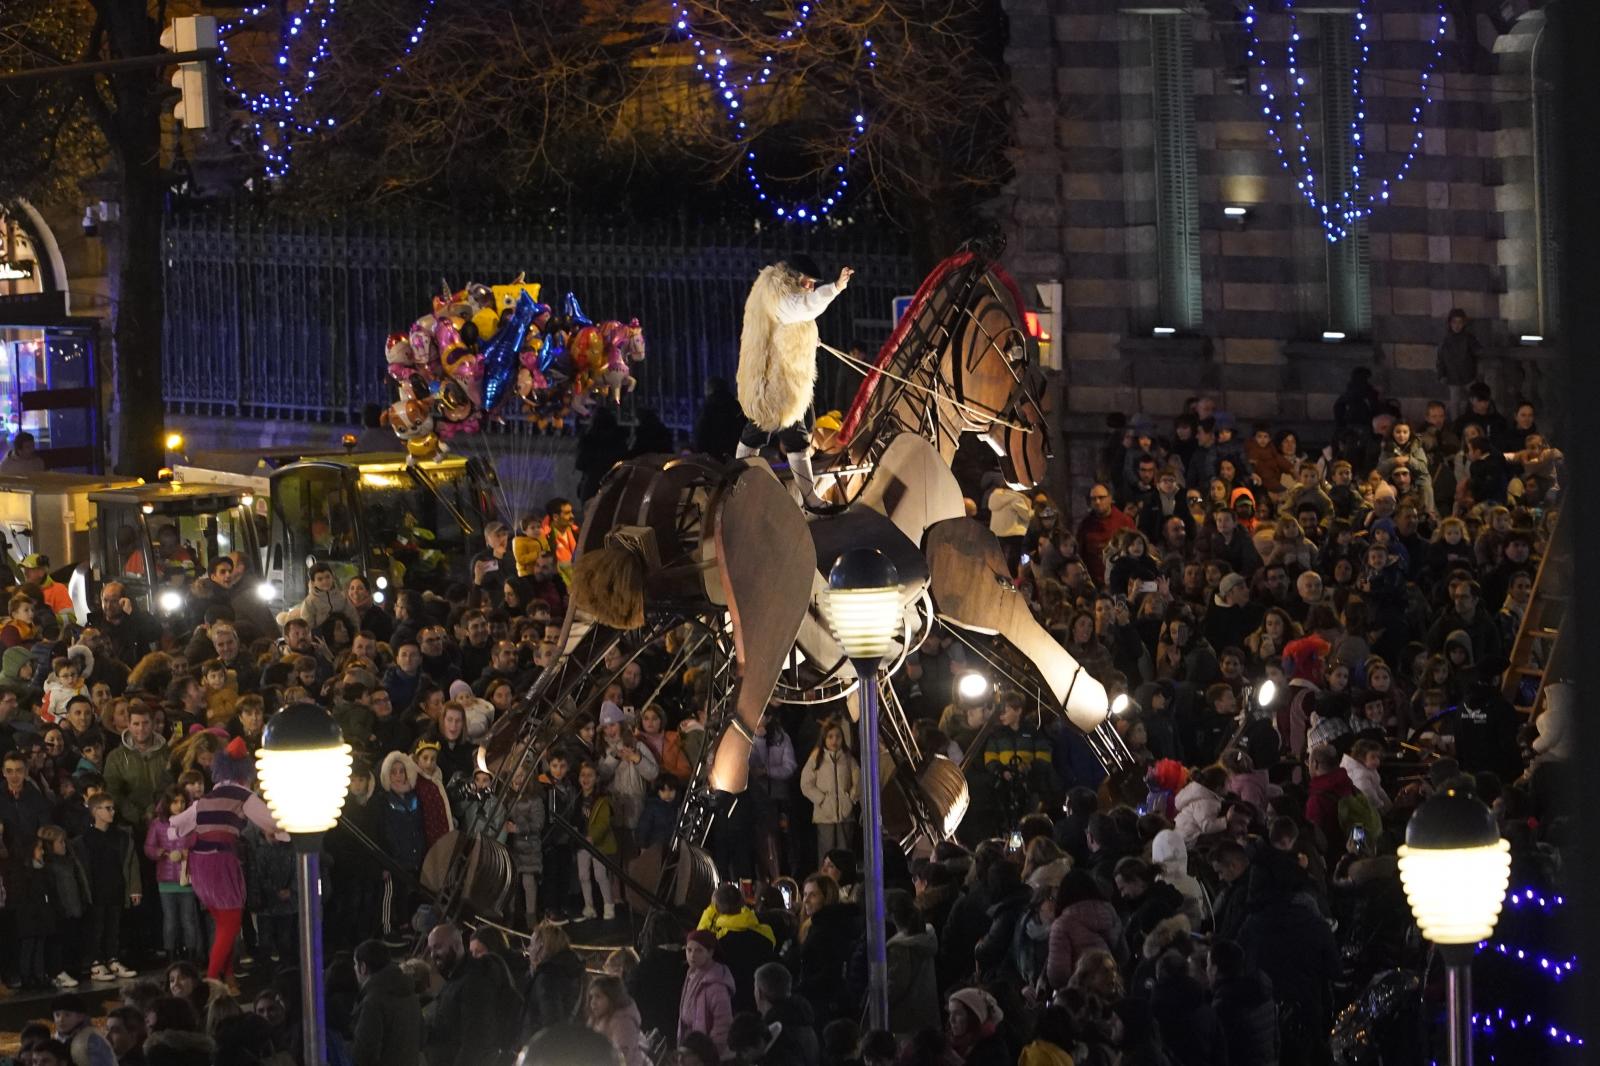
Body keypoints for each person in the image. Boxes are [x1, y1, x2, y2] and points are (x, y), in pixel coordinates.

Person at [734, 255, 854, 512]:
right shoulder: (777, 293)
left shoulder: (782, 293)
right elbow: (802, 307)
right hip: (771, 384)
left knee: (795, 439)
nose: (810, 287)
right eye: (808, 282)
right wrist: (834, 288)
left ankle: (809, 499)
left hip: (786, 385)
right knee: (757, 432)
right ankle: (737, 486)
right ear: (794, 277)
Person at [165, 736, 284, 982]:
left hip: (201, 867)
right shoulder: (243, 795)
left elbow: (174, 828)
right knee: (230, 925)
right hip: (220, 864)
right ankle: (211, 982)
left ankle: (227, 977)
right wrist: (290, 829)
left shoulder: (207, 797)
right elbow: (271, 822)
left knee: (224, 926)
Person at [424, 923, 521, 1066]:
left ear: (456, 946)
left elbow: (476, 1040)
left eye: (438, 947)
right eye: (431, 949)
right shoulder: (454, 979)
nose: (433, 954)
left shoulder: (474, 981)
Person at [352, 939, 422, 1066]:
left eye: (355, 964)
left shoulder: (373, 1002)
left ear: (363, 967)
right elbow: (422, 1038)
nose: (354, 969)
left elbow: (365, 1053)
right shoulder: (411, 996)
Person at [799, 719, 858, 858]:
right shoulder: (817, 758)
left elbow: (858, 780)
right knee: (827, 853)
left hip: (845, 814)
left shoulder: (848, 758)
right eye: (830, 736)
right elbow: (806, 783)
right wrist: (822, 799)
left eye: (838, 736)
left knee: (845, 853)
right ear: (824, 738)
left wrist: (851, 798)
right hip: (824, 815)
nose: (834, 740)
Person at [678, 930, 735, 1058]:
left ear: (710, 952)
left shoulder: (716, 985)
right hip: (692, 1048)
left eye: (699, 950)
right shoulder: (691, 974)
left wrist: (708, 1056)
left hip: (705, 1054)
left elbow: (723, 1026)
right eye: (689, 950)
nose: (692, 955)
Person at [585, 974, 645, 1066]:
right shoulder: (596, 1019)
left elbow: (623, 1058)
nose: (593, 1002)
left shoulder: (623, 1023)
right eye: (591, 997)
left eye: (598, 996)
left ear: (612, 998)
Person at [945, 987, 1009, 1066]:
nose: (951, 1019)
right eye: (950, 1013)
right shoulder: (953, 1043)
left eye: (958, 1013)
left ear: (974, 1016)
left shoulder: (995, 1051)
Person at [52, 992, 117, 1066]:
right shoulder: (57, 1037)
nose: (61, 1020)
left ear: (80, 1017)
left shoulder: (92, 1039)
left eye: (67, 1015)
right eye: (57, 1015)